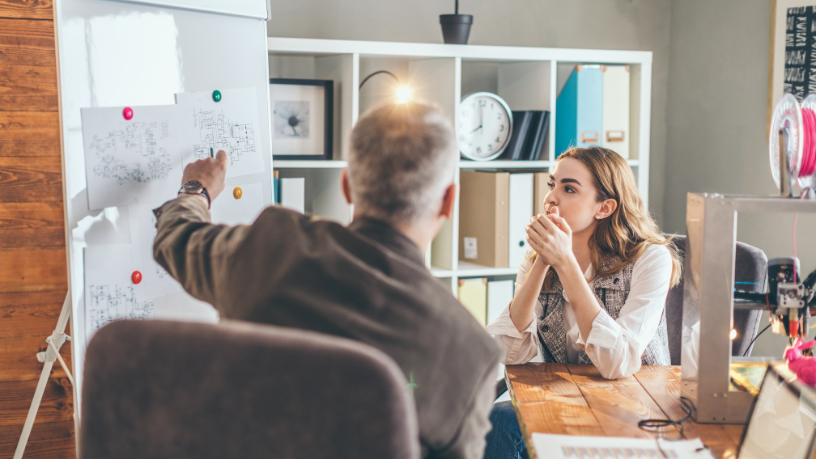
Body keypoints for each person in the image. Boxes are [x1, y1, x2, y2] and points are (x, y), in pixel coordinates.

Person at [152, 101, 500, 459]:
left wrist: (197, 189)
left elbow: (176, 239)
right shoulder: (471, 354)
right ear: (448, 201)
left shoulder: (270, 248)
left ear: (346, 187)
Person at [483, 146, 681, 459]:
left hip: (635, 406)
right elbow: (507, 351)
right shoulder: (536, 257)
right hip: (562, 401)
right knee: (495, 423)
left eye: (569, 188)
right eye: (552, 185)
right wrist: (542, 263)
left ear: (604, 208)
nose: (551, 198)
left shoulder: (650, 259)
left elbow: (618, 362)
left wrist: (566, 265)